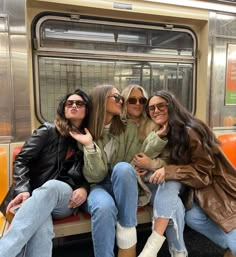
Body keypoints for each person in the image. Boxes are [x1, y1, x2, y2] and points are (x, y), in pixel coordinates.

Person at [71, 84, 167, 257]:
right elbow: (96, 175)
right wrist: (90, 146)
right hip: (96, 186)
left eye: (120, 98)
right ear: (101, 101)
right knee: (104, 208)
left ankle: (127, 232)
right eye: (116, 97)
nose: (120, 101)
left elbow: (135, 159)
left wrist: (158, 137)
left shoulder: (128, 127)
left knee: (123, 168)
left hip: (122, 183)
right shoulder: (85, 132)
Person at [137, 90, 236, 257]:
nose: (155, 111)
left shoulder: (190, 130)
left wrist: (167, 170)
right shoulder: (169, 131)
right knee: (193, 217)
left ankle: (154, 246)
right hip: (197, 189)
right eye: (151, 108)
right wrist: (154, 164)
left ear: (172, 106)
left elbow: (204, 170)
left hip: (217, 189)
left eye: (161, 106)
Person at [0, 89, 92, 257]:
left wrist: (84, 188)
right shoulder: (49, 130)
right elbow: (22, 160)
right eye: (69, 103)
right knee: (41, 230)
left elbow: (92, 172)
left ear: (87, 110)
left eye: (79, 103)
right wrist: (22, 190)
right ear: (63, 109)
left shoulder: (89, 138)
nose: (73, 106)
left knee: (52, 186)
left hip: (65, 199)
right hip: (35, 197)